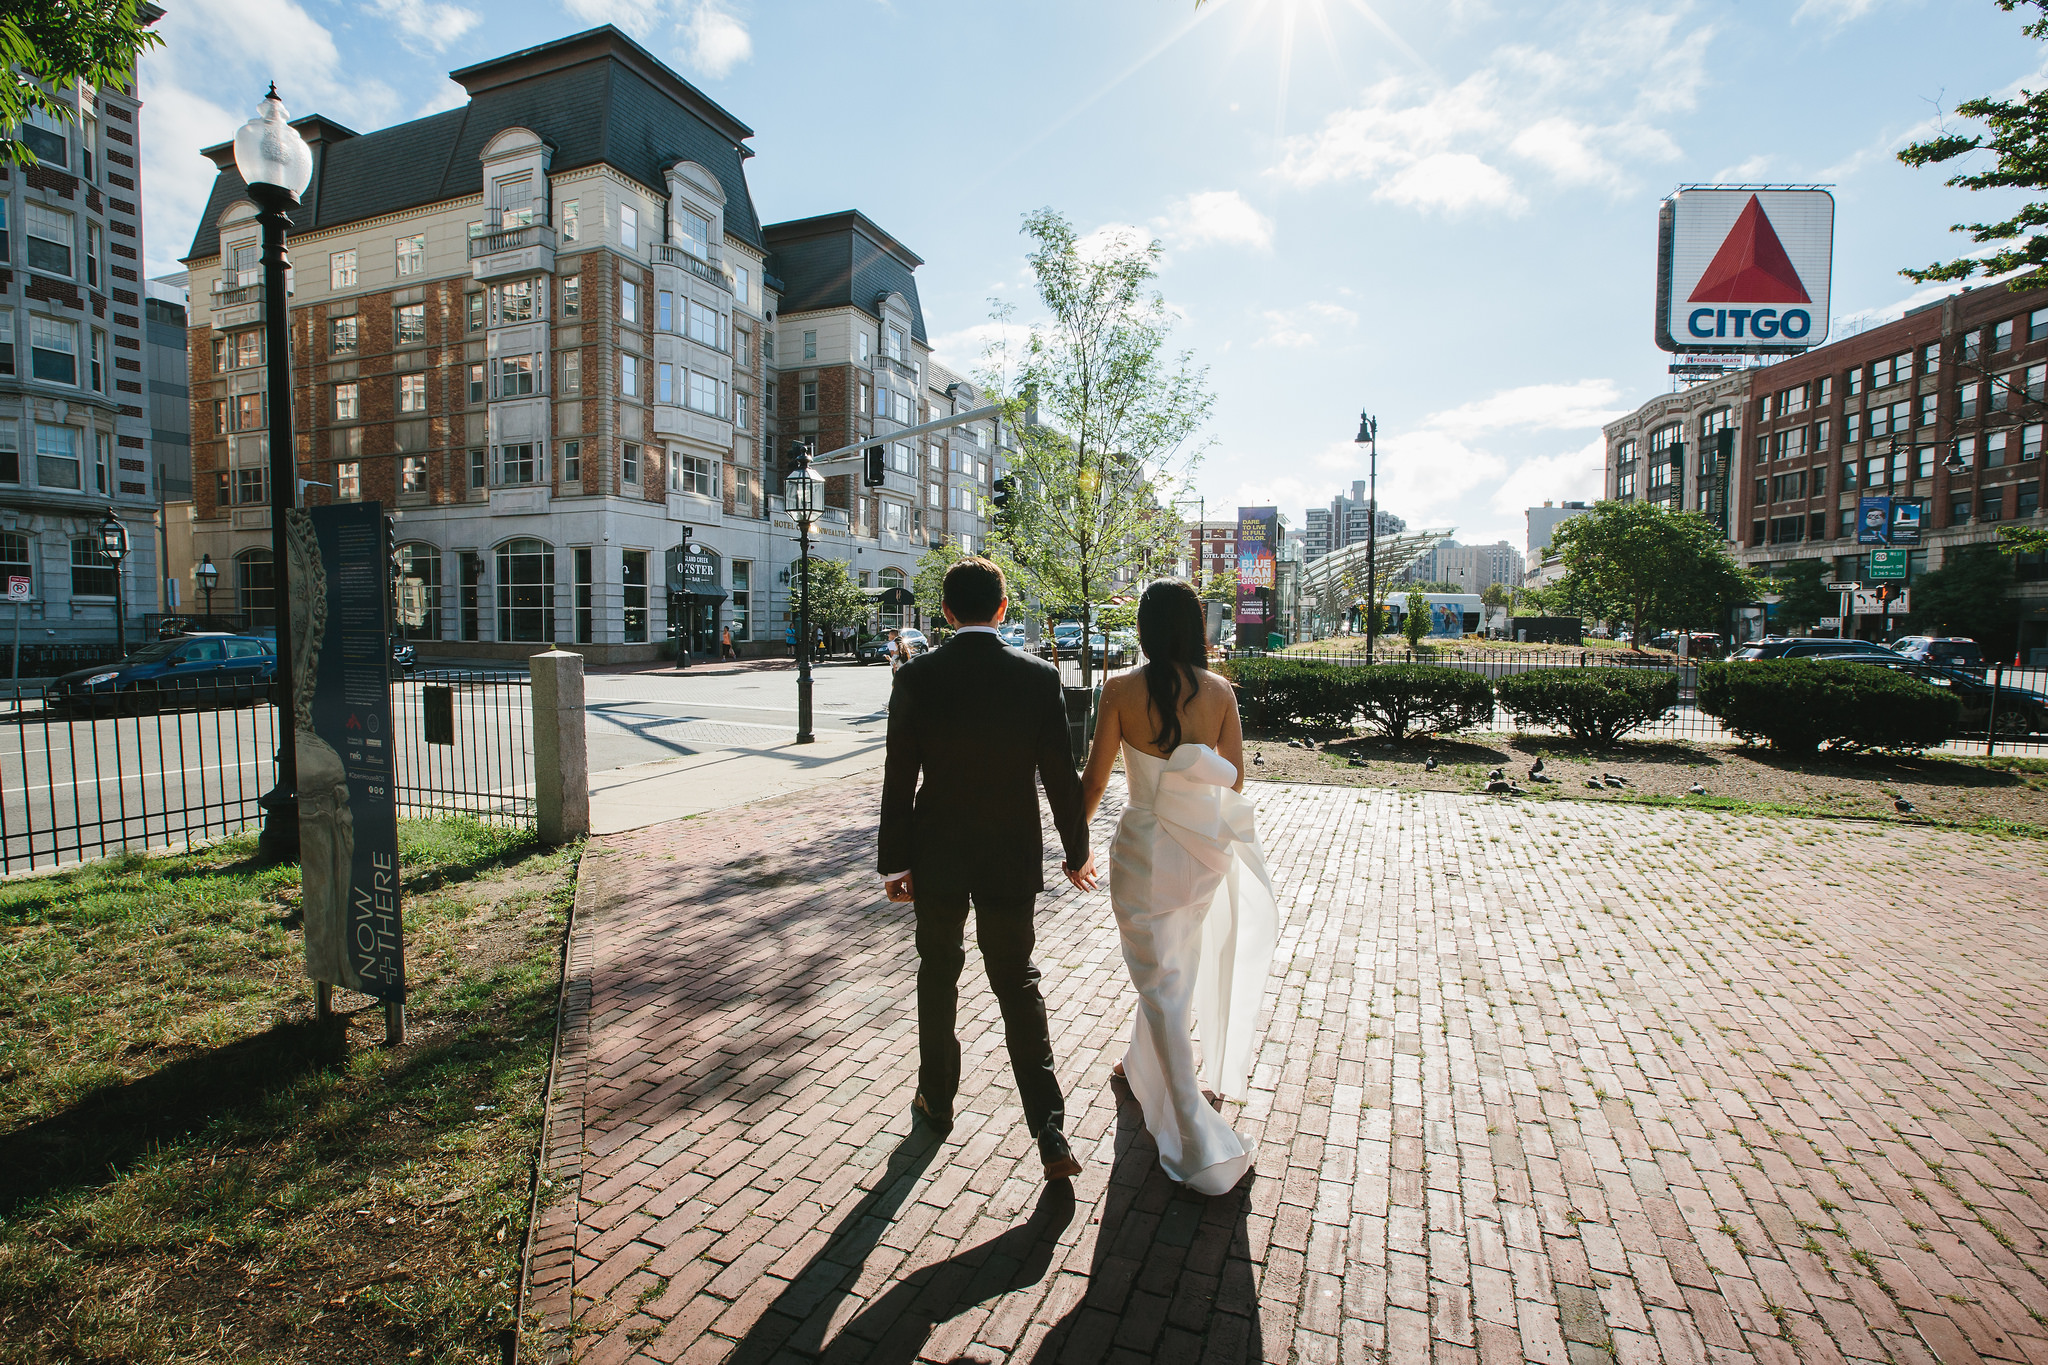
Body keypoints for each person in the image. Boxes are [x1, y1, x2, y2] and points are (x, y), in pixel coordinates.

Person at [878, 556, 1090, 1182]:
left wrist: (895, 860)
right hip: (1008, 852)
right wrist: (1076, 850)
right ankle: (1049, 1128)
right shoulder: (1037, 676)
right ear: (1001, 610)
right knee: (1017, 982)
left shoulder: (916, 676)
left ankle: (936, 1100)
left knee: (938, 973)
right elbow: (1059, 775)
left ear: (945, 612)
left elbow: (899, 777)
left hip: (938, 851)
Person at [1072, 578, 1278, 1195]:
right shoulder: (1219, 692)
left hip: (1143, 849)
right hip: (1200, 852)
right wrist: (1192, 776)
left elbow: (1097, 778)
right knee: (1172, 967)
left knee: (1159, 977)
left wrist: (1074, 843)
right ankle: (1142, 1065)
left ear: (1144, 627)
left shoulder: (1119, 690)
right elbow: (1235, 781)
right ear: (1195, 627)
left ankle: (1192, 1125)